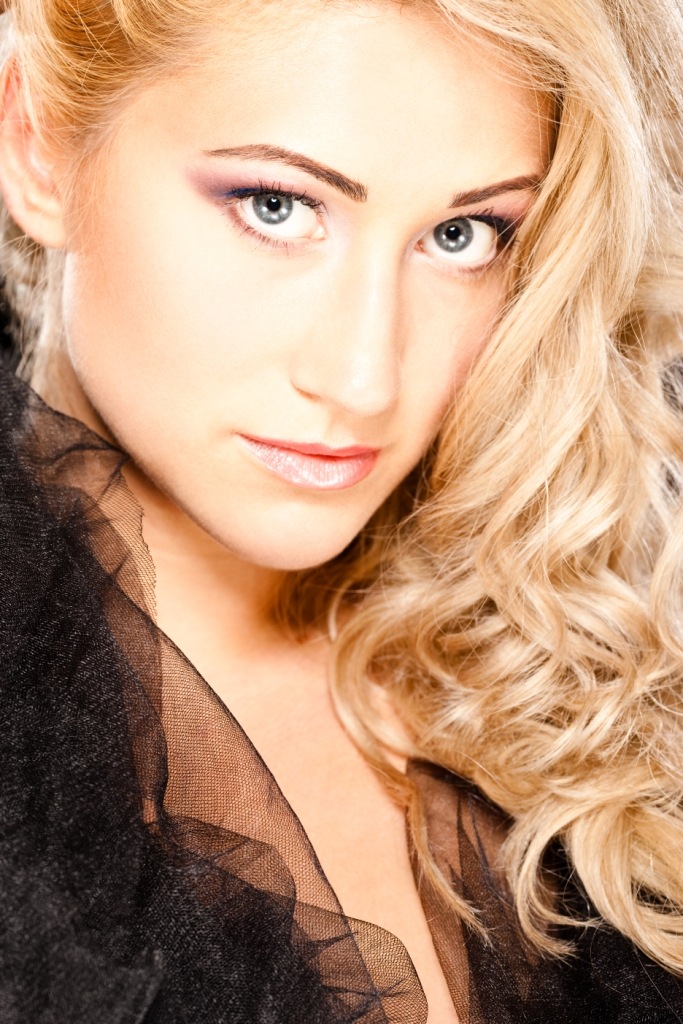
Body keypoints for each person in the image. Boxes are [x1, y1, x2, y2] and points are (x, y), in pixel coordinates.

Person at [0, 0, 681, 1019]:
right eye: (277, 206)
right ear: (36, 141)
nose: (364, 378)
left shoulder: (581, 640)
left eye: (460, 235)